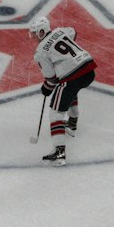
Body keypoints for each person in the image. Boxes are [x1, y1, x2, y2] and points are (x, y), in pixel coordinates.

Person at [29, 13, 97, 165]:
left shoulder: (40, 52)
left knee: (55, 112)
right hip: (89, 69)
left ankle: (59, 152)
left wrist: (46, 89)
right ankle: (71, 124)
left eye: (34, 34)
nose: (33, 37)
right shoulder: (60, 31)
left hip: (72, 76)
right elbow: (73, 31)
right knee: (70, 92)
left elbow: (51, 77)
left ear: (41, 31)